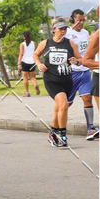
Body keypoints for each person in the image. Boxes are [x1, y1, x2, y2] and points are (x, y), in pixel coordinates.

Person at [33, 18, 82, 148]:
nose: (63, 31)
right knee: (63, 104)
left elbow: (80, 59)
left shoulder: (70, 43)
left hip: (67, 80)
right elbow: (35, 55)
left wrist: (76, 61)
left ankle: (53, 133)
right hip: (51, 80)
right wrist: (39, 64)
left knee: (59, 107)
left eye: (65, 29)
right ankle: (62, 135)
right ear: (54, 29)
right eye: (60, 29)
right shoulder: (46, 43)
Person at [66, 10, 98, 139]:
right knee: (67, 103)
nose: (81, 22)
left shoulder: (85, 33)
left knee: (87, 98)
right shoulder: (67, 32)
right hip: (72, 73)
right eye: (79, 20)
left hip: (85, 71)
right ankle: (57, 127)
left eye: (83, 20)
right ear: (72, 20)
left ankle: (90, 129)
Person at [17, 31, 41, 96]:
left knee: (25, 77)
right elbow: (35, 52)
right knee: (32, 77)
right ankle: (35, 85)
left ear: (24, 37)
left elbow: (21, 54)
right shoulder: (34, 43)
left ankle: (27, 92)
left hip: (24, 62)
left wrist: (19, 63)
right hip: (32, 62)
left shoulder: (22, 44)